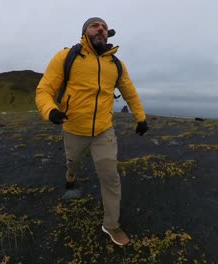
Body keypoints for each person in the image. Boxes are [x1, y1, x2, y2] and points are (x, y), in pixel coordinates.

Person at [35, 17, 148, 246]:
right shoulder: (67, 57)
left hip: (103, 131)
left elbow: (130, 92)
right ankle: (70, 174)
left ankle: (111, 225)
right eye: (95, 25)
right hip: (73, 128)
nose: (100, 29)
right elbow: (44, 90)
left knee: (110, 177)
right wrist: (51, 111)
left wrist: (141, 117)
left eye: (104, 27)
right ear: (85, 32)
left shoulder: (116, 64)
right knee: (72, 161)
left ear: (109, 34)